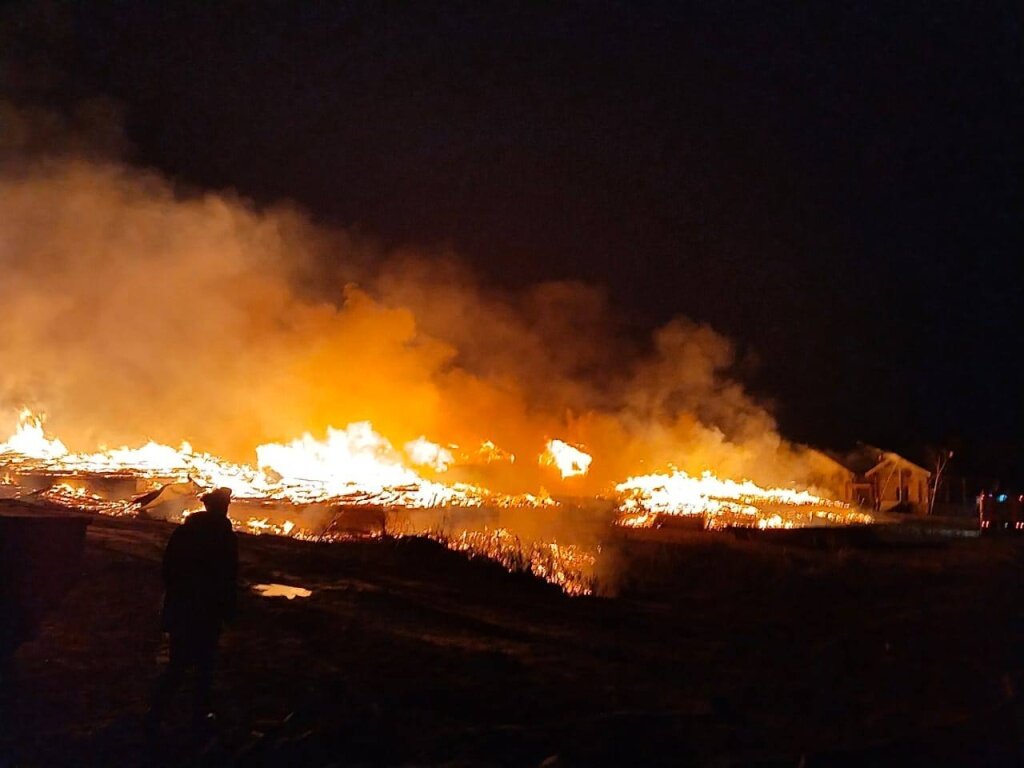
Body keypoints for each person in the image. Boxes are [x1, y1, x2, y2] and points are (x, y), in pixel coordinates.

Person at [147, 487, 238, 733]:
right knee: (204, 666)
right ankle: (197, 716)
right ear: (222, 507)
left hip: (182, 608)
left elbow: (169, 570)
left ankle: (156, 714)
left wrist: (177, 598)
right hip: (207, 611)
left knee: (178, 664)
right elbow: (228, 576)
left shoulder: (184, 532)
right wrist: (229, 610)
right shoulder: (224, 537)